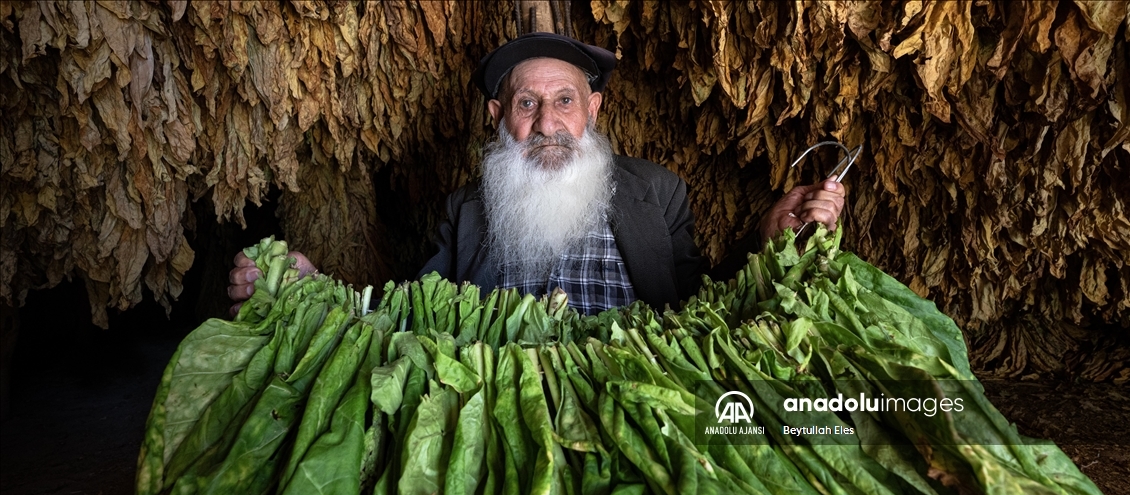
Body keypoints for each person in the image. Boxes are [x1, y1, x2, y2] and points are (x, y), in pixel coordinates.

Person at [229, 33, 844, 315]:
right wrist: (314, 289)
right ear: (500, 116)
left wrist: (768, 244)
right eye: (526, 103)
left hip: (636, 395)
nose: (547, 121)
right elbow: (414, 311)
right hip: (501, 402)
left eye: (565, 101)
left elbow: (702, 308)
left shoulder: (658, 192)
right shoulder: (467, 209)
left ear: (594, 108)